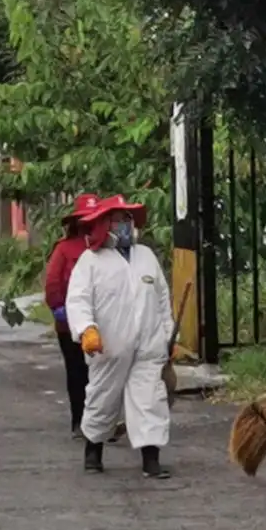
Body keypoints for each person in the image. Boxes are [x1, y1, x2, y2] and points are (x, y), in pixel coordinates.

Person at [66, 195, 178, 479]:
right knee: (102, 399)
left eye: (126, 220)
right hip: (108, 347)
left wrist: (168, 335)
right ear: (104, 225)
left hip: (148, 347)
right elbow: (78, 300)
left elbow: (162, 299)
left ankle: (151, 460)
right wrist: (87, 329)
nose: (124, 226)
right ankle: (93, 451)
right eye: (117, 220)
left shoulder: (146, 256)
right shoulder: (90, 261)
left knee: (150, 401)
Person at [44, 194, 95, 438]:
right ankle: (79, 421)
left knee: (102, 375)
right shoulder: (64, 249)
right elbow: (53, 282)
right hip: (70, 324)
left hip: (103, 323)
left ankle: (101, 421)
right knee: (77, 373)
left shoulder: (107, 250)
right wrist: (58, 308)